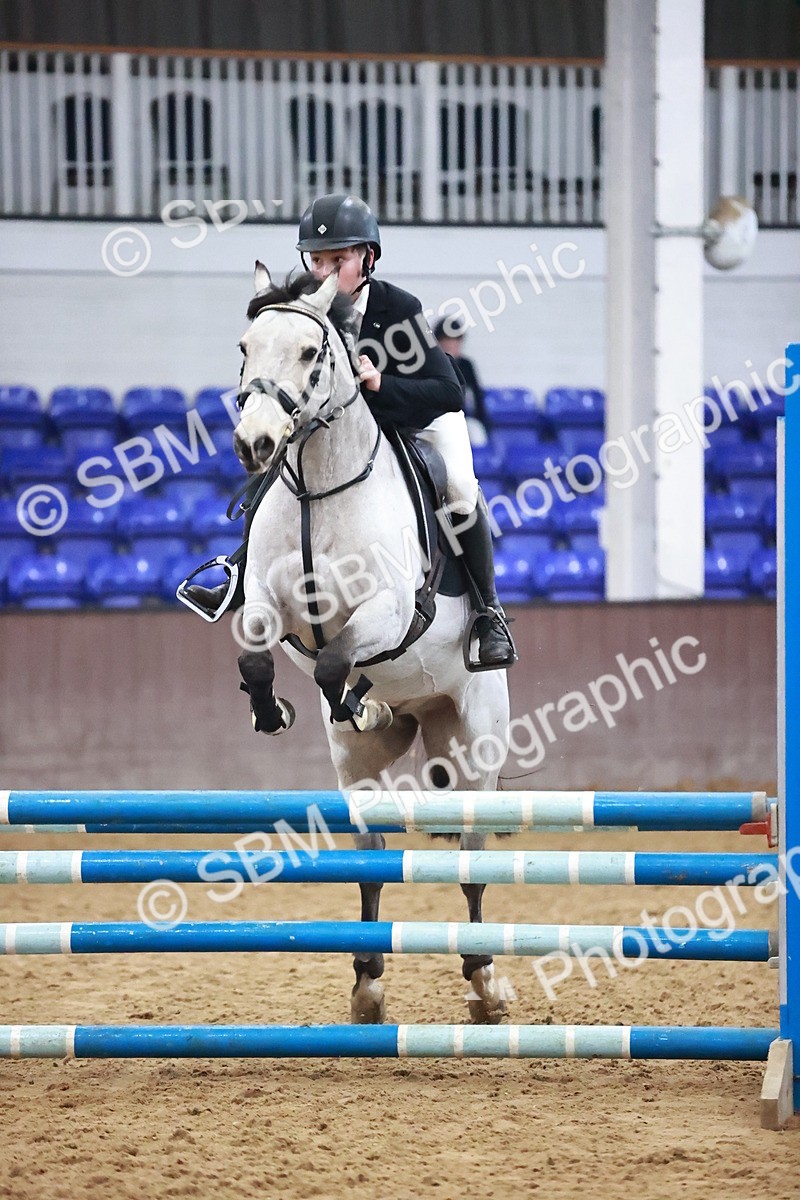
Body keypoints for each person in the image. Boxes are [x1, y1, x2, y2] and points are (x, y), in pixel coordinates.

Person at [183, 194, 514, 668]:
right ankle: (239, 572)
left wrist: (382, 384)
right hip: (337, 432)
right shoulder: (298, 311)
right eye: (316, 260)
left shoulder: (397, 307)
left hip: (414, 419)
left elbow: (447, 391)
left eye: (338, 260)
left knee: (461, 489)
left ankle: (488, 613)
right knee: (279, 466)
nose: (324, 272)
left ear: (368, 258)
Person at [432, 315, 489, 443]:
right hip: (435, 420)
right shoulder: (430, 364)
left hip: (461, 418)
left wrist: (483, 421)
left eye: (456, 341)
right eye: (447, 341)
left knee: (477, 434)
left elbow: (477, 396)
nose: (452, 345)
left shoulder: (466, 365)